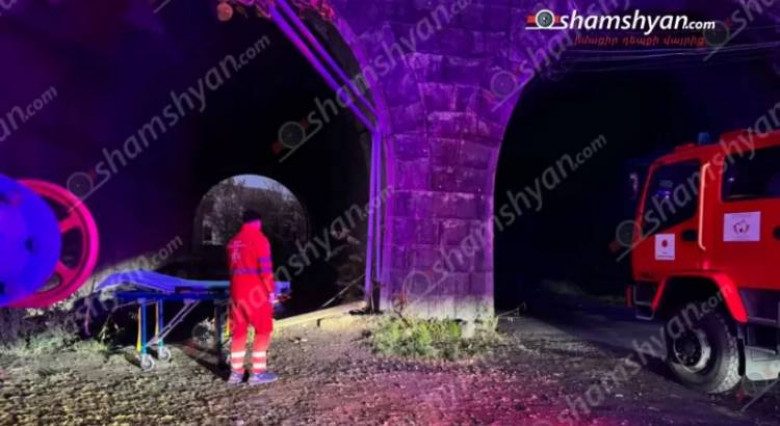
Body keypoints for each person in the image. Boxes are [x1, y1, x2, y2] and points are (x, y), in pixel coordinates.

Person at [226, 210, 278, 385]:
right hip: (255, 293)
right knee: (263, 330)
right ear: (257, 222)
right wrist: (271, 291)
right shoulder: (259, 239)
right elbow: (265, 269)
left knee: (239, 331)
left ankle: (235, 374)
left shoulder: (232, 242)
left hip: (236, 293)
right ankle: (258, 373)